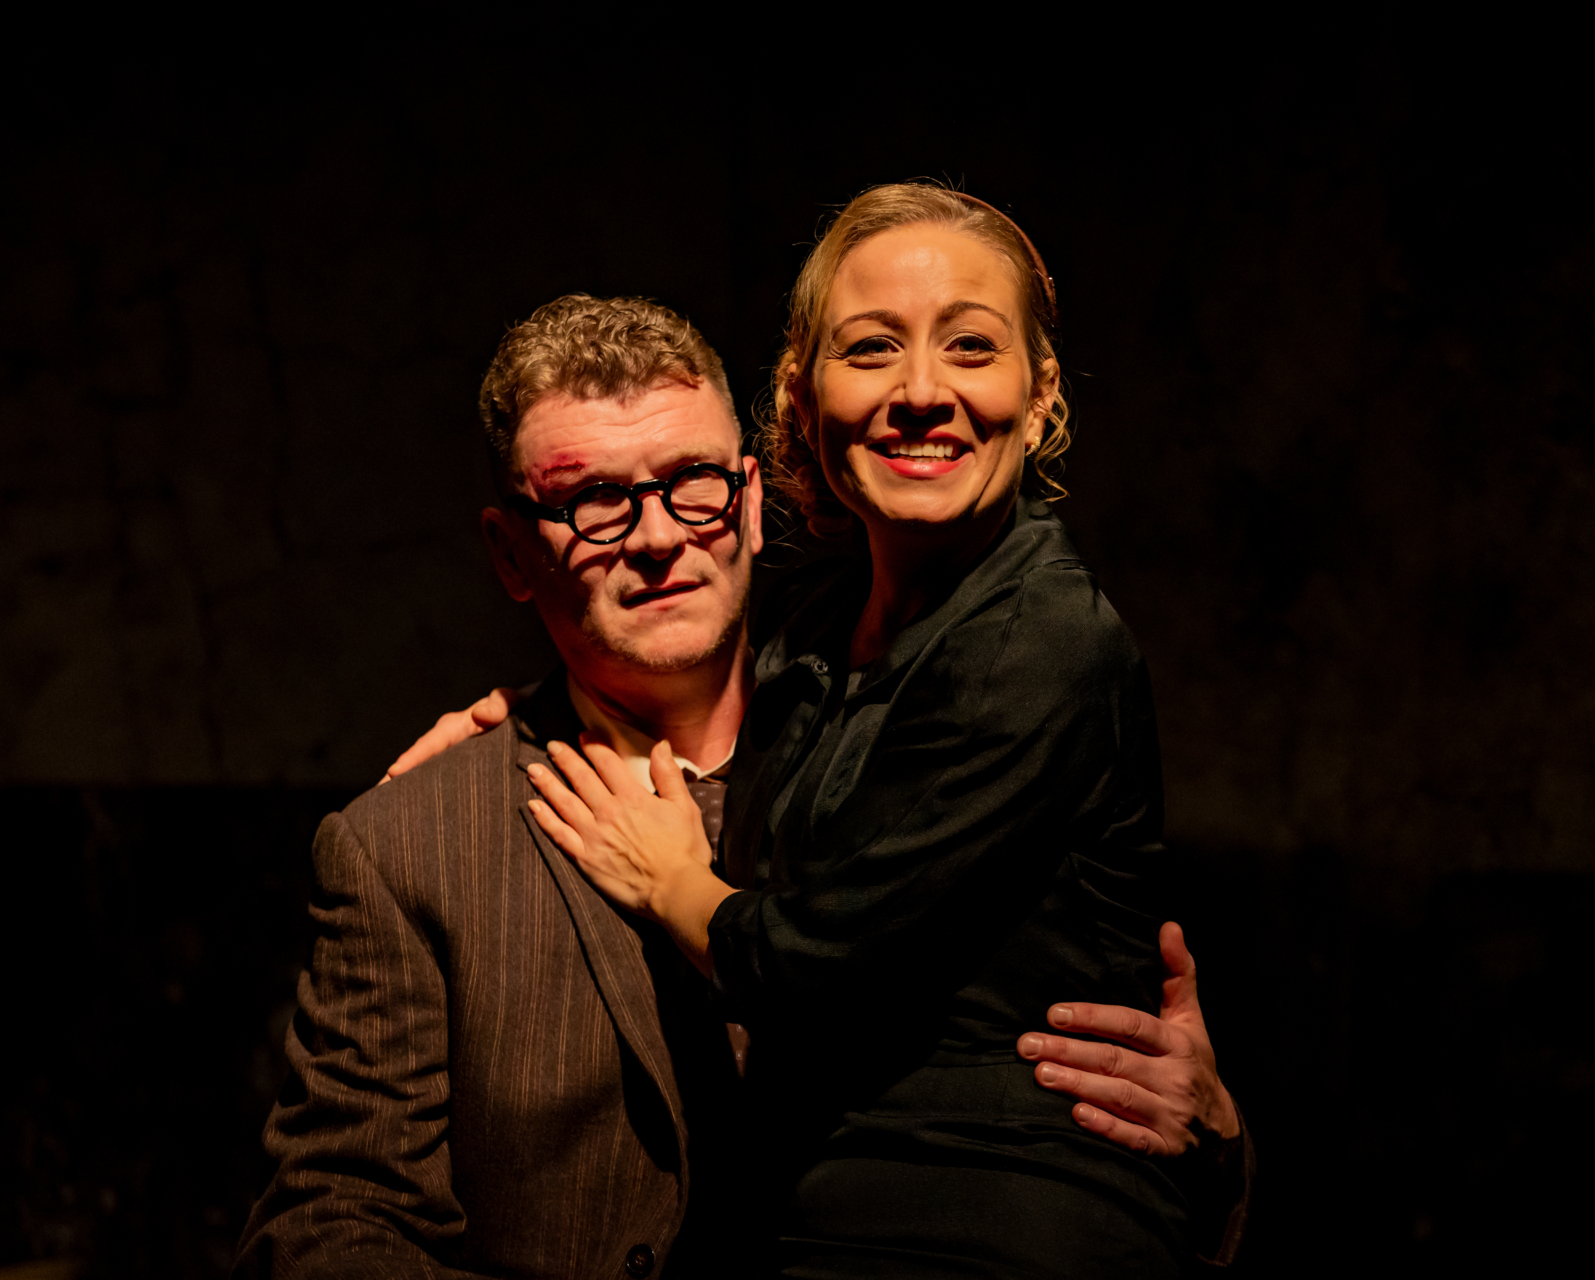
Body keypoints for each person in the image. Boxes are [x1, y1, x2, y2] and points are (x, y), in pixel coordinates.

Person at [240, 292, 1240, 1279]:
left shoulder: (935, 754)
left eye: (693, 482)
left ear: (752, 502)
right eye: (594, 501)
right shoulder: (414, 846)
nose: (656, 536)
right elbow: (330, 1226)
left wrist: (1210, 1140)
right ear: (511, 552)